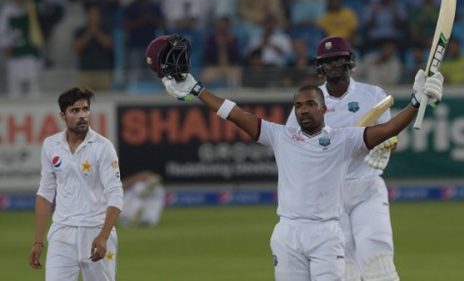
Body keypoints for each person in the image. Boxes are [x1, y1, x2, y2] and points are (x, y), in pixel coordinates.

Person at [144, 34, 444, 281]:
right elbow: (235, 114)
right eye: (299, 105)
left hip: (332, 224)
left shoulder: (342, 138)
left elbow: (389, 129)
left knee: (377, 264)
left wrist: (416, 102)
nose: (303, 109)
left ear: (323, 108)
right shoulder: (283, 135)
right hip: (288, 230)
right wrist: (196, 89)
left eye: (310, 105)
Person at [287, 36, 400, 281]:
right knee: (343, 267)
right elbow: (292, 147)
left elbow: (388, 136)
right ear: (320, 66)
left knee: (376, 257)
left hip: (366, 186)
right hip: (328, 195)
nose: (333, 64)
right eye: (327, 61)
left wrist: (387, 145)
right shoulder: (309, 102)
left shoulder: (373, 95)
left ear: (349, 61)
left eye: (338, 59)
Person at [29, 88, 123, 281]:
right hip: (61, 234)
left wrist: (103, 236)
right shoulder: (51, 145)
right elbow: (45, 193)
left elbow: (115, 193)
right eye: (75, 111)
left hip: (96, 231)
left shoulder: (103, 147)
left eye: (85, 109)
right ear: (62, 115)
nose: (82, 116)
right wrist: (38, 241)